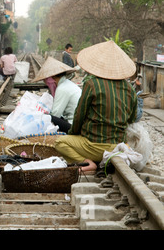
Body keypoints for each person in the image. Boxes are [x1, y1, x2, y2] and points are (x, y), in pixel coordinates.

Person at [54, 40, 138, 173]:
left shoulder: (92, 84)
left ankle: (88, 163)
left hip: (93, 145)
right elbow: (132, 119)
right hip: (117, 146)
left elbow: (79, 115)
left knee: (60, 142)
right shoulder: (130, 89)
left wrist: (74, 134)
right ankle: (100, 160)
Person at [32, 57, 81, 133]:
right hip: (77, 123)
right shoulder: (67, 84)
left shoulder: (62, 88)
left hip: (74, 126)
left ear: (53, 76)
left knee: (49, 117)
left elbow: (55, 114)